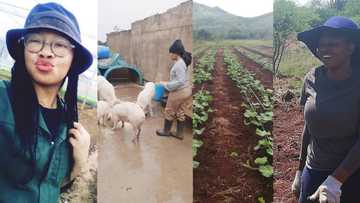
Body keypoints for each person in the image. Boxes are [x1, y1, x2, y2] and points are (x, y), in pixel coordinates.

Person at [0, 3, 93, 202]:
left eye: (59, 45)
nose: (46, 52)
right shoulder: (3, 100)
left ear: (73, 58)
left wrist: (79, 163)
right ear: (23, 48)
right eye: (35, 41)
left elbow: (50, 186)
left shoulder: (69, 124)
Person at [291, 16, 360, 203]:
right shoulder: (312, 78)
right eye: (321, 45)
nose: (325, 49)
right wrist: (299, 170)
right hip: (314, 168)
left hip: (352, 172)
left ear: (350, 48)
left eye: (333, 44)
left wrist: (336, 180)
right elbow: (309, 127)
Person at [156, 39, 192, 140]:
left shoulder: (179, 64)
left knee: (169, 110)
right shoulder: (182, 62)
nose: (170, 55)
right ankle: (179, 134)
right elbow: (180, 80)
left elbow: (180, 81)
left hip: (179, 92)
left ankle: (166, 131)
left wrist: (166, 85)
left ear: (176, 53)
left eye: (171, 53)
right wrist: (167, 83)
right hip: (186, 90)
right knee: (180, 111)